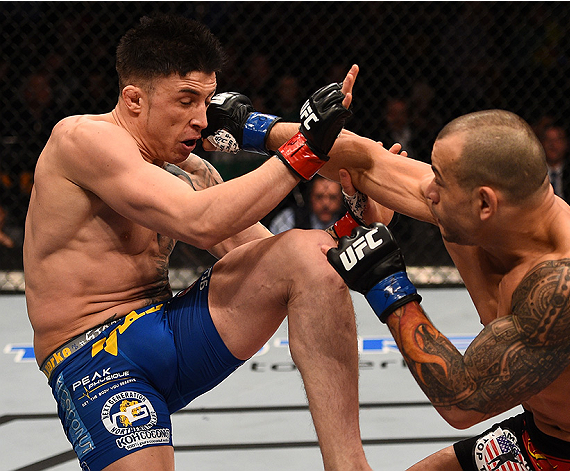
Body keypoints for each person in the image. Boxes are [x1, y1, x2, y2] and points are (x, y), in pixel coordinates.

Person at [23, 15, 372, 471]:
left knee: (307, 256)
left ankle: (348, 466)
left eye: (207, 101)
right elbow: (200, 222)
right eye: (185, 100)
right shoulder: (82, 139)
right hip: (93, 358)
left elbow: (275, 256)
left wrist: (354, 216)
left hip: (169, 330)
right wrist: (305, 146)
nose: (201, 119)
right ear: (133, 99)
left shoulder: (190, 170)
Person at [321, 108, 570, 470]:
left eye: (440, 182)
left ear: (485, 202)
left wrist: (387, 285)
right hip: (538, 439)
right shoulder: (475, 211)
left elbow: (462, 401)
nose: (427, 191)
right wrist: (267, 130)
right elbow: (364, 161)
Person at [269, 176, 345, 234]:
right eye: (319, 197)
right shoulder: (290, 218)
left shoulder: (349, 220)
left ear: (341, 198)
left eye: (333, 197)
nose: (326, 204)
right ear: (310, 197)